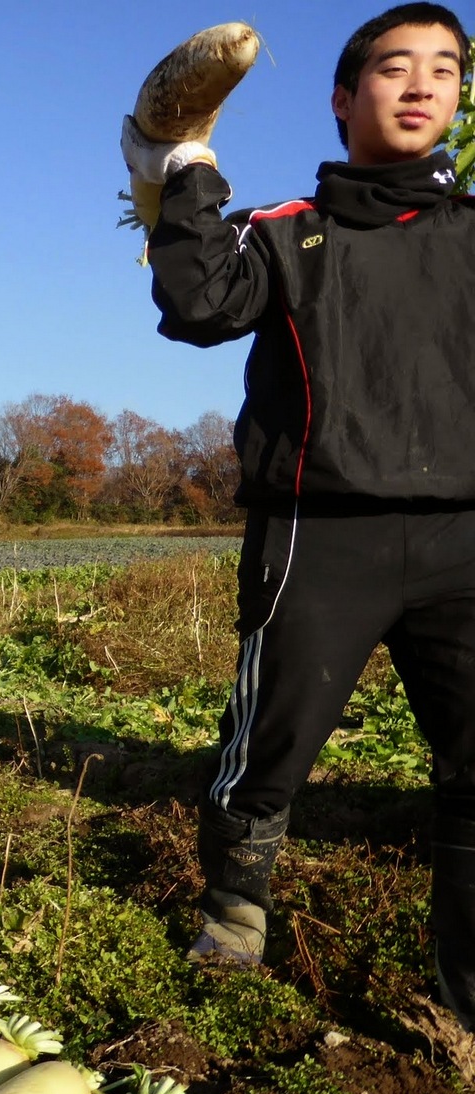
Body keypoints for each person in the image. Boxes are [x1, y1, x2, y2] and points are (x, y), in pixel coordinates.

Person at [123, 3, 475, 1027]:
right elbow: (194, 305)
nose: (420, 85)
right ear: (341, 96)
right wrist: (183, 166)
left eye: (444, 70)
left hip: (466, 539)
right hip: (319, 535)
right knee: (271, 744)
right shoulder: (287, 233)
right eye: (393, 67)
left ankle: (466, 987)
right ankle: (235, 899)